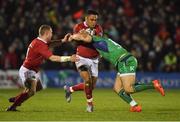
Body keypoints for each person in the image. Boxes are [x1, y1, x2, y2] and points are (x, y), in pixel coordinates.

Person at [67, 31, 165, 112]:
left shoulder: (95, 39)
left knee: (129, 89)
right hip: (122, 62)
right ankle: (135, 106)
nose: (83, 35)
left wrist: (72, 36)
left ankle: (154, 84)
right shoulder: (102, 41)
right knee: (117, 88)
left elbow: (85, 37)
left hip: (125, 61)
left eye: (84, 34)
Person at [6, 25, 78, 111]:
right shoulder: (39, 44)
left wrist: (63, 40)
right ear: (47, 33)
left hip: (32, 71)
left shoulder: (40, 42)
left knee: (39, 87)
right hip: (27, 70)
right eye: (51, 32)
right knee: (32, 91)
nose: (52, 34)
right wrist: (70, 58)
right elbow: (53, 58)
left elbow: (51, 44)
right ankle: (12, 107)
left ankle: (18, 98)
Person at [64, 10, 103, 112]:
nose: (94, 22)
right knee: (87, 80)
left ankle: (70, 89)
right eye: (92, 19)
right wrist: (77, 36)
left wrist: (89, 35)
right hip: (81, 58)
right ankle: (90, 105)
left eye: (95, 20)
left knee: (91, 86)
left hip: (94, 59)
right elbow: (76, 38)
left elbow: (97, 40)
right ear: (86, 19)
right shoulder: (78, 26)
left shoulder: (98, 28)